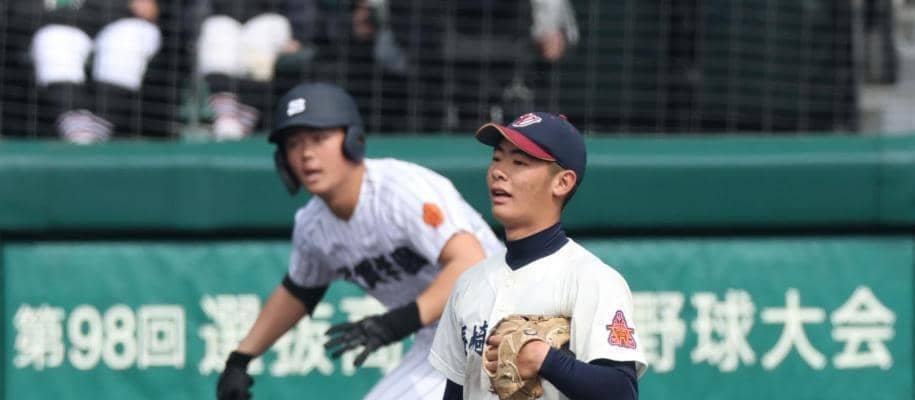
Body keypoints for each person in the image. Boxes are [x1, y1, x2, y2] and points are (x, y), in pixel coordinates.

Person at [215, 82, 504, 400]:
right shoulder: (313, 227)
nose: (307, 154)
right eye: (294, 144)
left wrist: (396, 323)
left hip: (504, 318)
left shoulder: (399, 191)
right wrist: (240, 358)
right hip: (442, 340)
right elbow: (298, 291)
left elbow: (470, 263)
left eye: (319, 138)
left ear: (353, 140)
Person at [428, 112, 647, 399]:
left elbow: (622, 391)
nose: (499, 171)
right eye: (497, 158)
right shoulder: (469, 284)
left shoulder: (593, 279)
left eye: (519, 162)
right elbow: (455, 393)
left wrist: (546, 360)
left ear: (562, 183)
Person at [22, 0, 162, 143]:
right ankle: (80, 135)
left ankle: (95, 132)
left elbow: (148, 10)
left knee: (128, 38)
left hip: (121, 21)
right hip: (58, 23)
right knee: (54, 41)